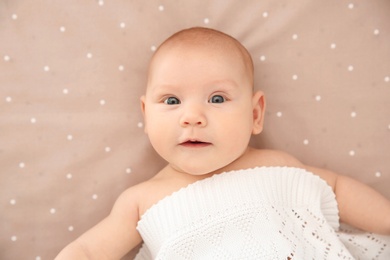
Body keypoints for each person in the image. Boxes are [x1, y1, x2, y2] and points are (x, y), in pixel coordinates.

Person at [56, 27, 390, 259]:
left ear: (255, 114)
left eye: (217, 98)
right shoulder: (141, 201)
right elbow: (89, 251)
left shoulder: (278, 165)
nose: (192, 117)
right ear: (146, 115)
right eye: (171, 101)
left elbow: (339, 190)